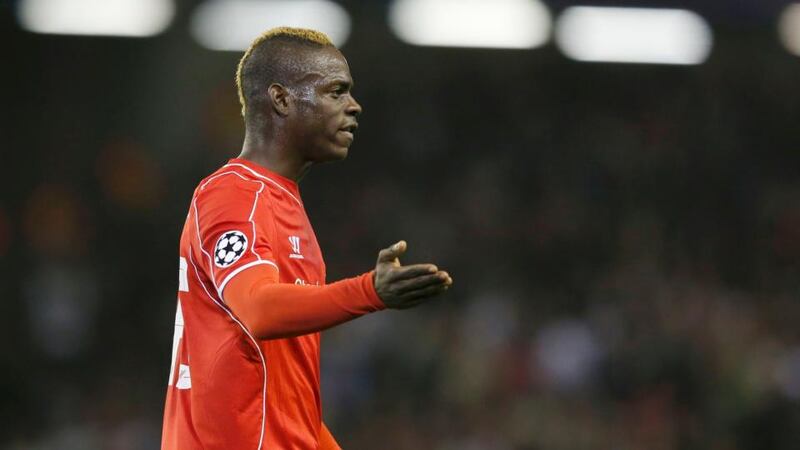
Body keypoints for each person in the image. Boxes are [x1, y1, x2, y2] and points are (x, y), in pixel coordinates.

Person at [161, 27, 453, 450]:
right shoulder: (235, 193)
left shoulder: (282, 202)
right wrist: (368, 291)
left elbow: (287, 398)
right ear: (281, 99)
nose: (354, 106)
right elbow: (256, 308)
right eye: (336, 91)